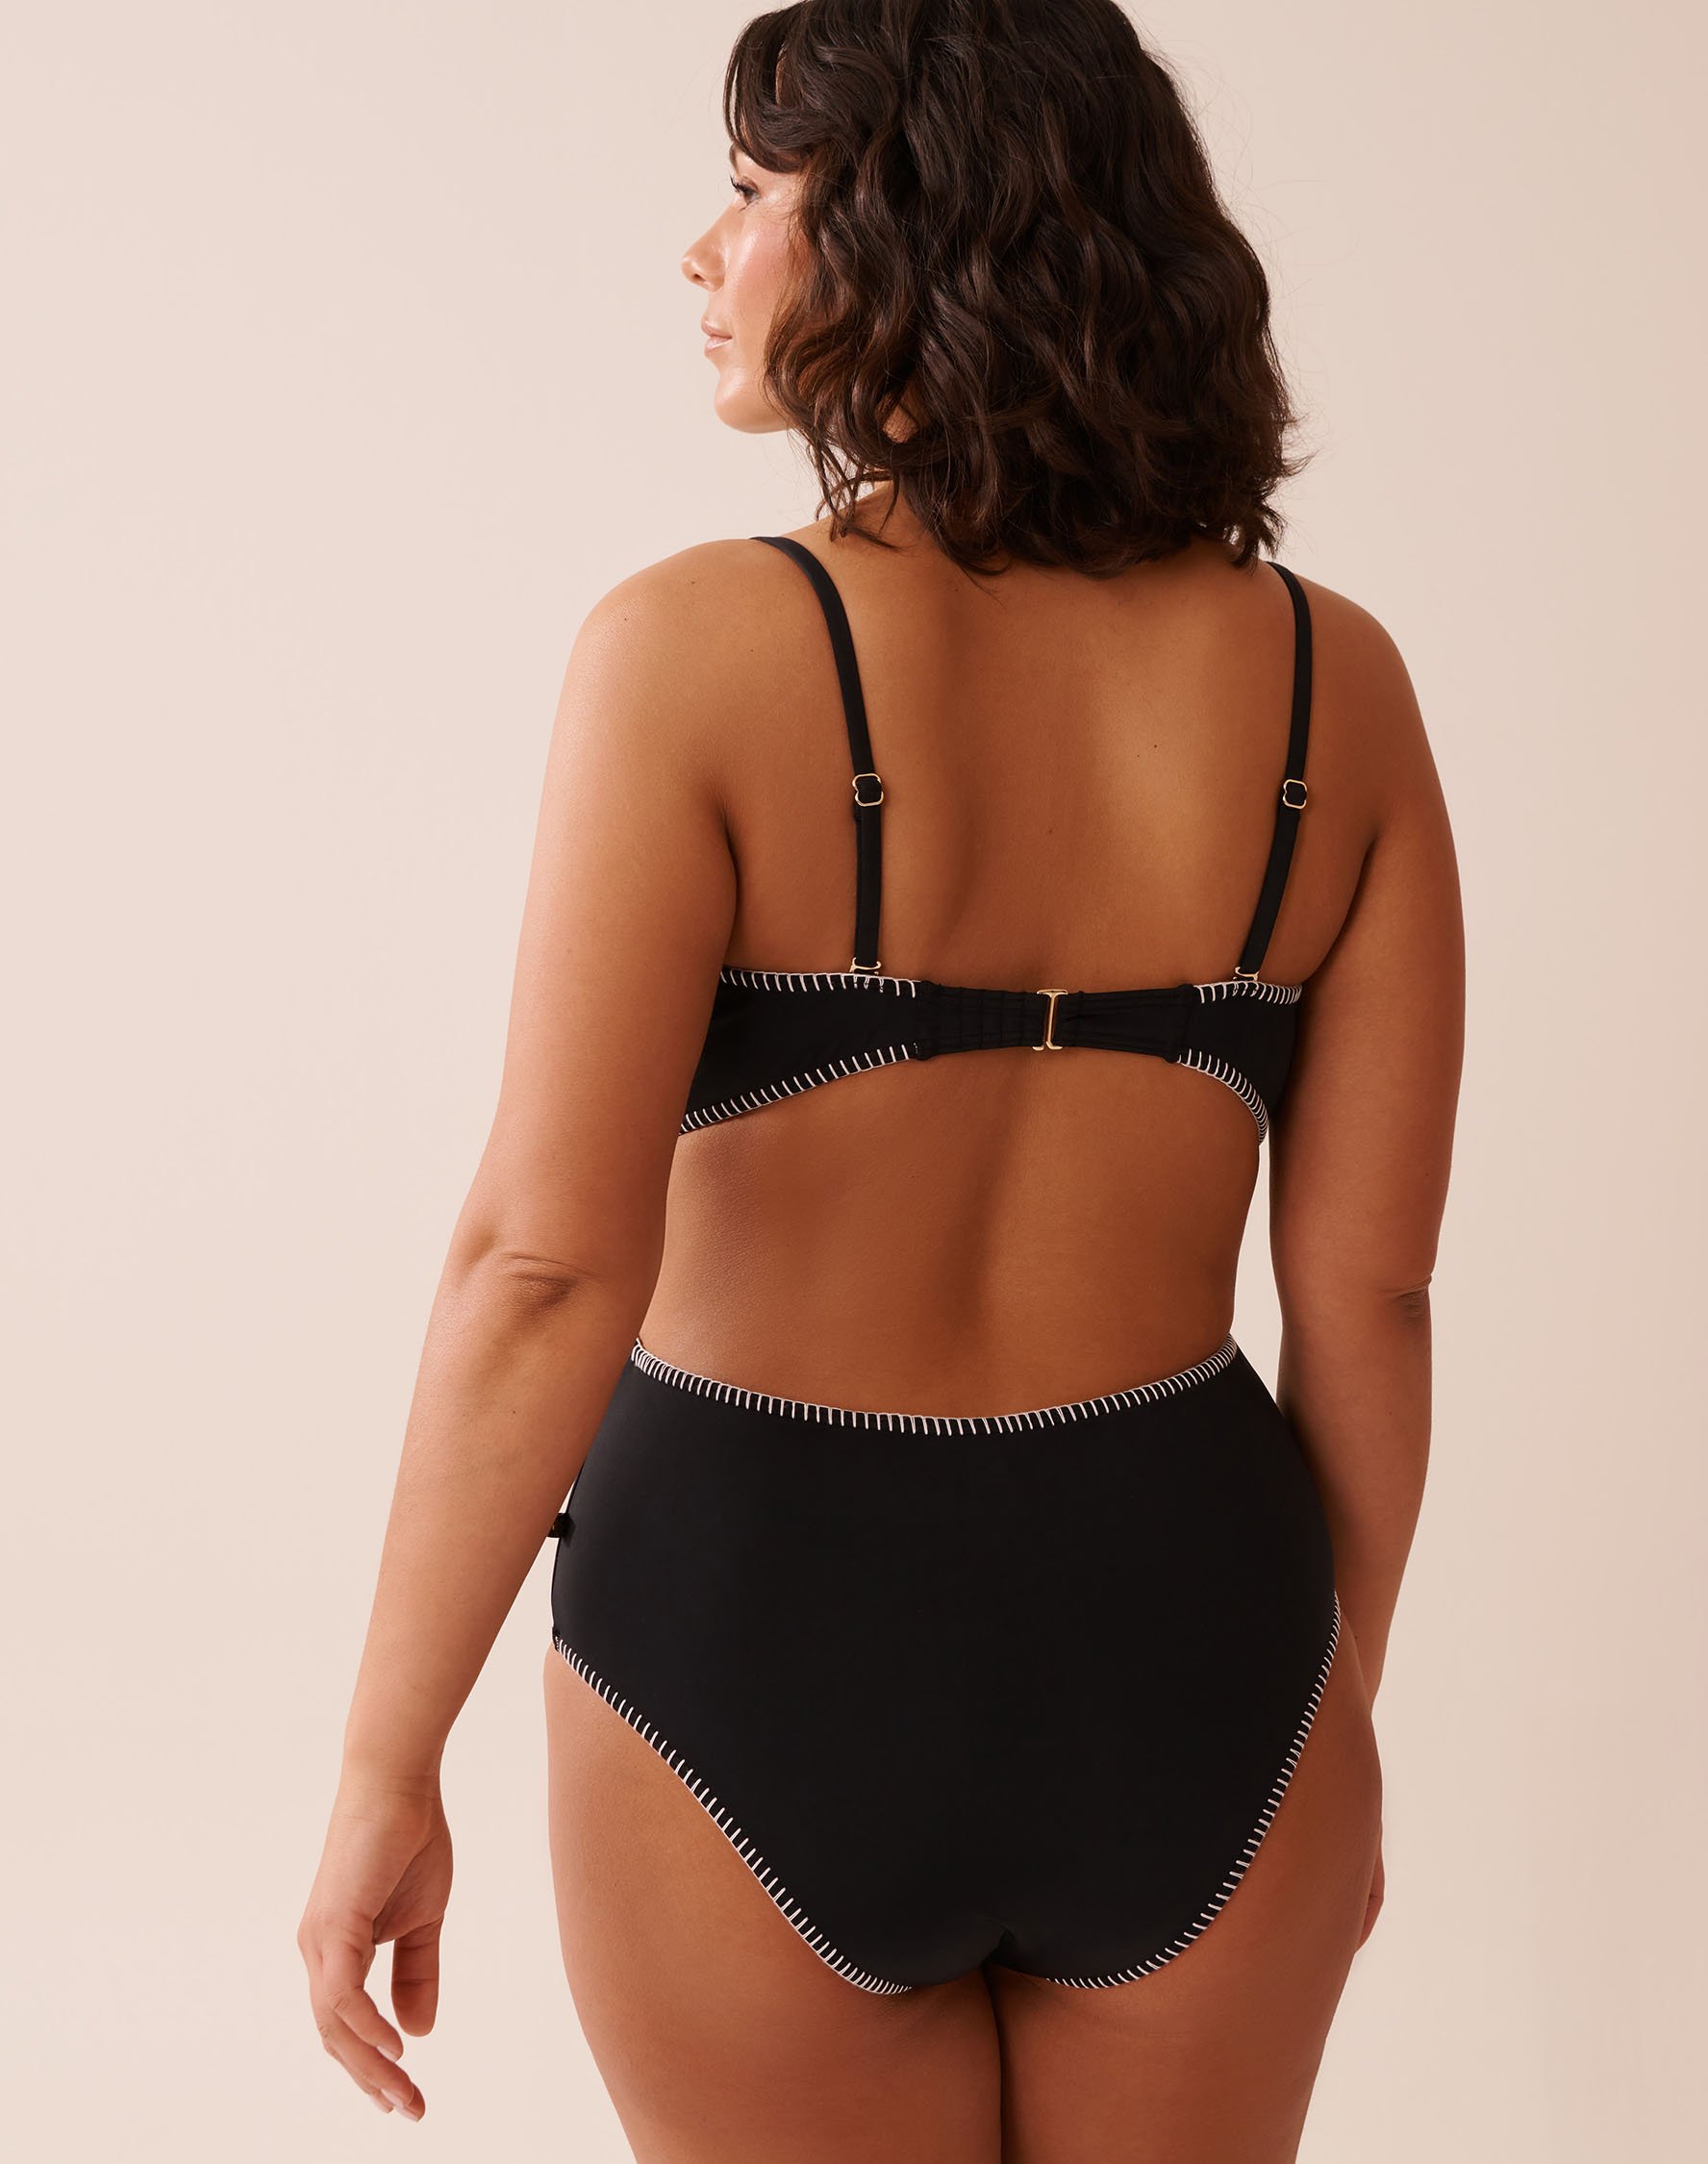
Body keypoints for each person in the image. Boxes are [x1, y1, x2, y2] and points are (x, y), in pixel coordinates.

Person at [297, 2, 1464, 2156]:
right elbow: (1372, 1298)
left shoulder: (689, 653)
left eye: (752, 193)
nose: (700, 251)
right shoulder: (1339, 686)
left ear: (910, 231)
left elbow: (545, 1264)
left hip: (748, 1632)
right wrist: (1328, 1719)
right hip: (1197, 1635)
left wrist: (387, 1757)